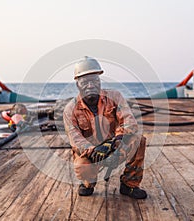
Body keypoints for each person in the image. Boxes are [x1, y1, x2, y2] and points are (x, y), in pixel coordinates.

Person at [63, 56, 147, 199]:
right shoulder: (70, 110)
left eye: (95, 80)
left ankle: (129, 185)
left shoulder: (115, 96)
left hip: (116, 146)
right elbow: (75, 140)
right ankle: (88, 182)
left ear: (100, 81)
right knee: (82, 166)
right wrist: (94, 150)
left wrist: (118, 139)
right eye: (85, 82)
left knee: (138, 140)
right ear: (78, 85)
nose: (91, 85)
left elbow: (129, 121)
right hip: (92, 154)